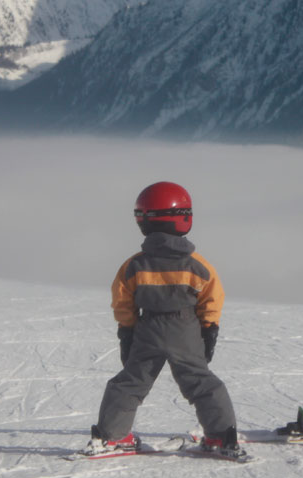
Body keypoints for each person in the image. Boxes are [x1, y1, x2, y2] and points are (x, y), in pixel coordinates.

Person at [85, 181, 244, 458]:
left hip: (148, 328)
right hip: (186, 329)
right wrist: (209, 329)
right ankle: (221, 437)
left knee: (130, 383)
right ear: (183, 219)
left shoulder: (134, 265)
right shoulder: (197, 265)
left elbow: (122, 299)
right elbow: (212, 297)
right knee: (201, 382)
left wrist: (127, 330)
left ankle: (111, 437)